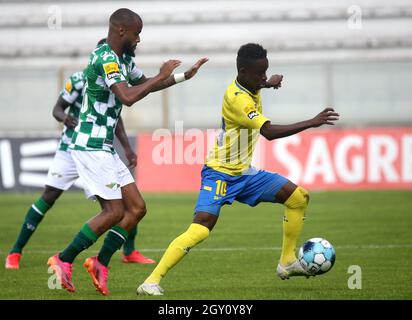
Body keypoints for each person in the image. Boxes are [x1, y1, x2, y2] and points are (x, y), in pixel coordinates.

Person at [137, 43, 339, 296]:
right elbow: (269, 132)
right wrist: (312, 121)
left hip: (245, 173)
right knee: (200, 229)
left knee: (298, 197)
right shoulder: (238, 100)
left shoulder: (250, 84)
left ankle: (287, 262)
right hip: (220, 172)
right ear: (243, 71)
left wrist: (268, 83)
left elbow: (257, 85)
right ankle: (151, 281)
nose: (263, 77)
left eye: (266, 72)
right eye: (259, 74)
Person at [47, 8, 208, 296]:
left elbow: (145, 84)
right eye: (137, 33)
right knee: (113, 211)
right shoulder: (105, 57)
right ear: (121, 30)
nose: (138, 39)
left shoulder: (124, 59)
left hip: (104, 147)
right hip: (89, 144)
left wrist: (184, 76)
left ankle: (99, 262)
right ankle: (63, 258)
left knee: (136, 208)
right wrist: (160, 75)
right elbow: (128, 97)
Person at [4, 67, 154, 270]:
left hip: (97, 149)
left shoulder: (115, 82)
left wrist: (127, 148)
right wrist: (65, 118)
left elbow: (116, 118)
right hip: (70, 149)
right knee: (49, 196)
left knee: (125, 200)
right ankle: (15, 251)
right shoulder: (78, 80)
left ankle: (128, 251)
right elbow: (57, 109)